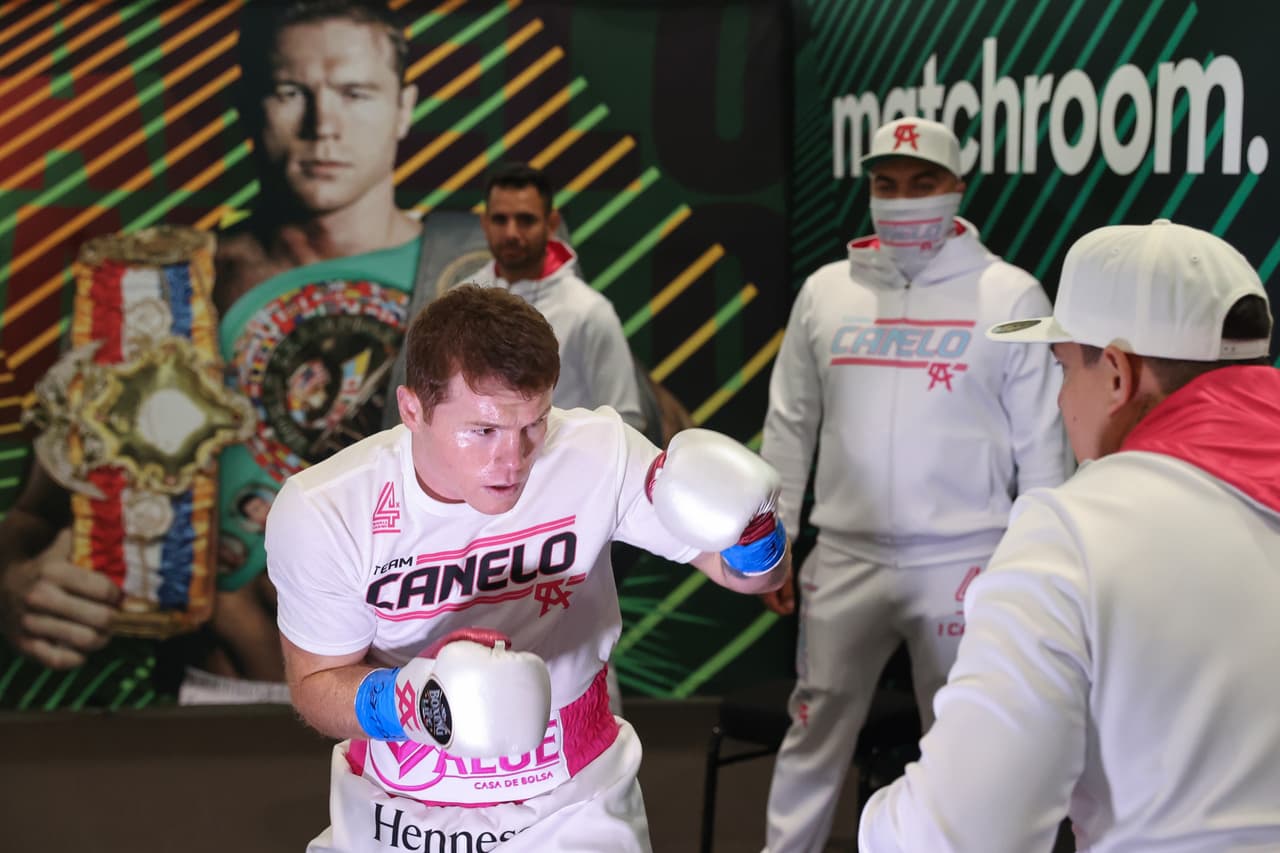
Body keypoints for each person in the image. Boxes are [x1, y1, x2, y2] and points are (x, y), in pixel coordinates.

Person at [266, 283, 791, 851]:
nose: (512, 460)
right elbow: (317, 687)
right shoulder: (328, 508)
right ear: (412, 409)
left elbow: (752, 577)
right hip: (399, 802)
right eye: (483, 430)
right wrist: (413, 702)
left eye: (532, 425)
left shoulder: (596, 452)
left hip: (572, 794)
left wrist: (756, 535)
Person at [0, 0, 424, 702]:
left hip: (435, 712)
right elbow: (30, 517)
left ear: (404, 107)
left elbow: (624, 458)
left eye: (355, 93)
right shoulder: (161, 294)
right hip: (223, 704)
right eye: (292, 92)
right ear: (244, 104)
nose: (325, 127)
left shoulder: (480, 277)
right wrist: (13, 585)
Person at [858, 219, 1280, 851]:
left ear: (1115, 374)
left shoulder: (1073, 534)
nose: (1060, 402)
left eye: (1063, 369)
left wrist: (877, 820)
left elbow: (953, 836)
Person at [759, 116, 1069, 852]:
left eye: (922, 183)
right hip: (845, 554)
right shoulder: (826, 293)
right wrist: (772, 536)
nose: (901, 200)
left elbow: (1044, 447)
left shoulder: (1010, 295)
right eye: (885, 185)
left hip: (967, 561)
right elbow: (791, 422)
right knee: (813, 724)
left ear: (955, 189)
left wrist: (1044, 569)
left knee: (967, 744)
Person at [472, 161, 646, 432]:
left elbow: (626, 423)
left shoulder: (589, 312)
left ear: (551, 223)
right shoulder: (462, 302)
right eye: (500, 219)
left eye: (526, 220)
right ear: (484, 223)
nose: (511, 233)